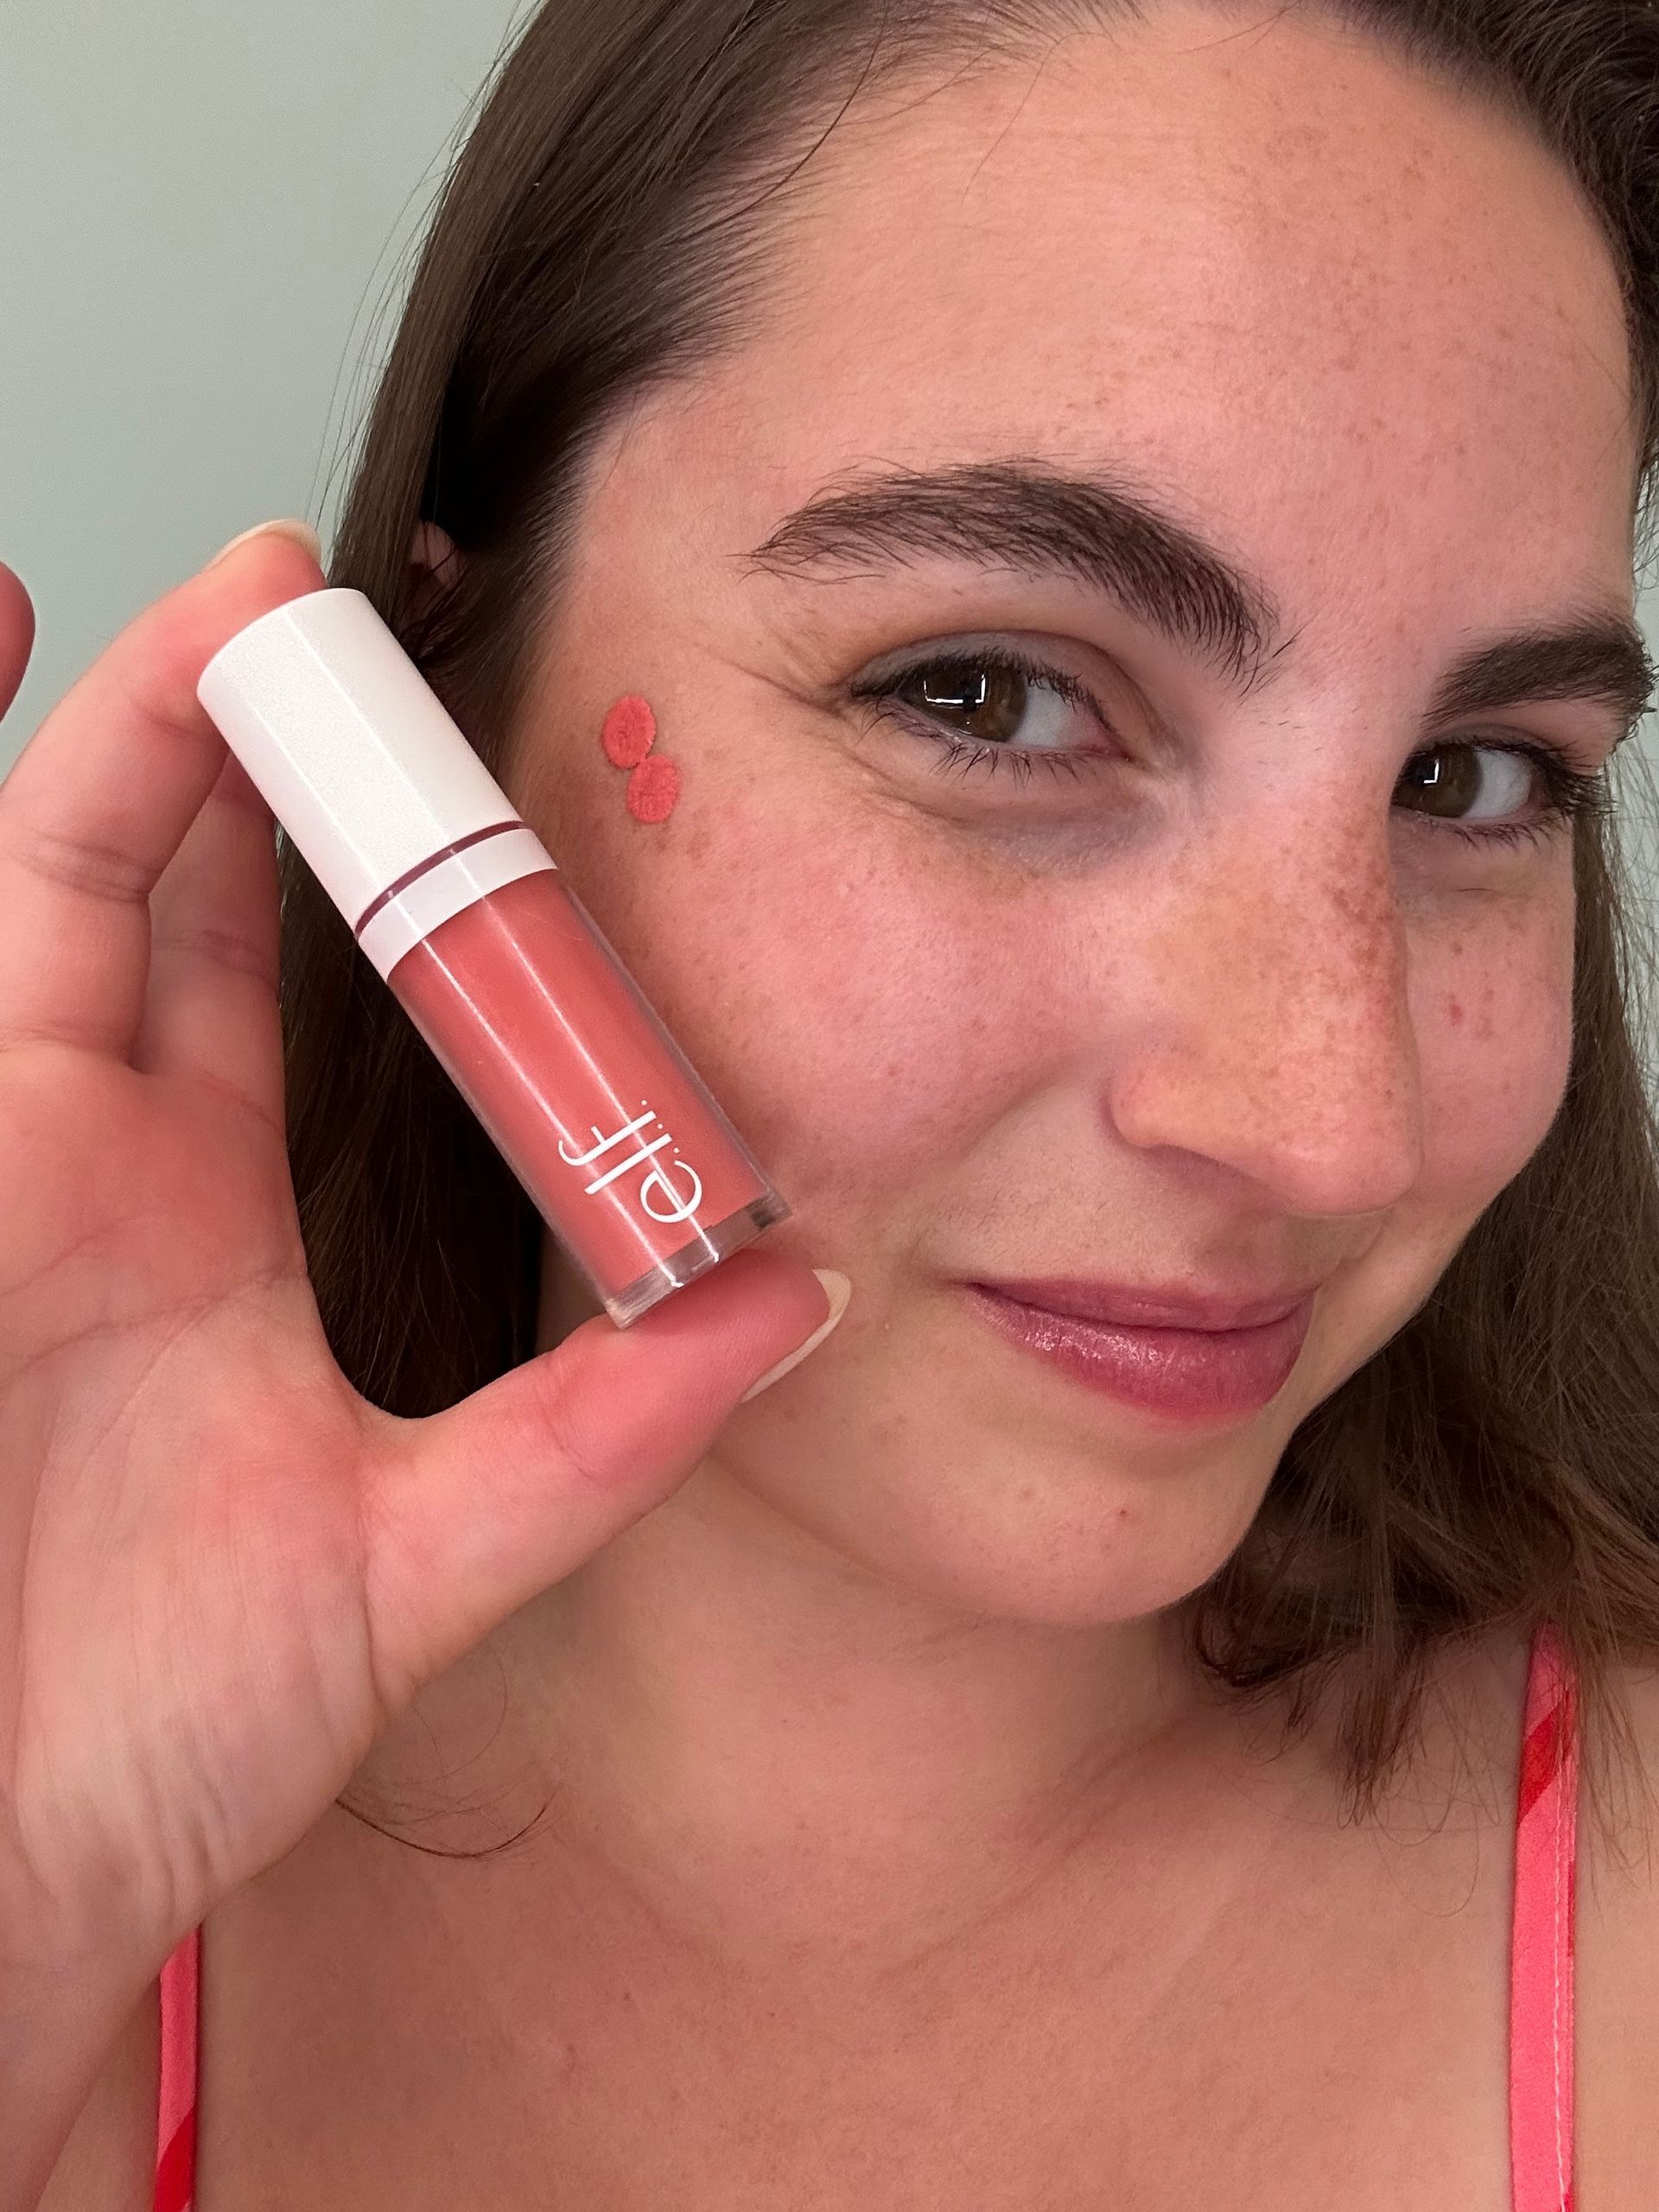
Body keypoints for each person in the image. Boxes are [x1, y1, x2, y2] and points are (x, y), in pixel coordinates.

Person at [7, 0, 1659, 2203]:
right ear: (431, 716)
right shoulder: (70, 1903)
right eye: (992, 695)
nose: (1327, 1125)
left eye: (1478, 778)